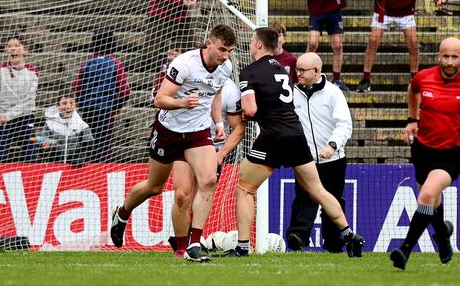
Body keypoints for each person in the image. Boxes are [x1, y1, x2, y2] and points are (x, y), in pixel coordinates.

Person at [226, 27, 364, 258]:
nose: (250, 46)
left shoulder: (250, 71)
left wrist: (245, 112)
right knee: (318, 190)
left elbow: (250, 109)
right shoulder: (281, 69)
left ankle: (241, 247)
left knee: (245, 189)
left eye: (251, 42)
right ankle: (350, 235)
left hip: (272, 138)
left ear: (259, 45)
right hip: (297, 136)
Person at [109, 24, 237, 263]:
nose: (225, 55)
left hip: (197, 133)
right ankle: (123, 213)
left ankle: (191, 245)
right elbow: (159, 99)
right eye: (221, 49)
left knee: (207, 181)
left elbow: (215, 95)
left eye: (229, 51)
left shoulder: (225, 67)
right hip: (169, 130)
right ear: (209, 43)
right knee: (155, 187)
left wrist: (218, 123)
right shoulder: (184, 63)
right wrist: (183, 103)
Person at [390, 37, 460, 270]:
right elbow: (412, 90)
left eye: (454, 57)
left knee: (426, 195)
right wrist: (412, 119)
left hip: (454, 153)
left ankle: (404, 250)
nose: (449, 61)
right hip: (423, 149)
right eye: (445, 56)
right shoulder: (423, 77)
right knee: (432, 201)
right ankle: (443, 235)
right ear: (438, 56)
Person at [167, 77, 243, 258]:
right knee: (181, 195)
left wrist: (221, 153)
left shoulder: (231, 92)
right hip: (183, 143)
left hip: (211, 150)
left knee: (199, 198)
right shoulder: (189, 81)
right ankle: (180, 243)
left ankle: (191, 243)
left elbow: (239, 128)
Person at [286, 52, 353, 253]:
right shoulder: (291, 93)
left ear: (316, 71)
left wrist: (332, 145)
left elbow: (345, 124)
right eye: (296, 69)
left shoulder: (334, 93)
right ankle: (298, 239)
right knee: (303, 198)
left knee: (333, 199)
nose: (297, 73)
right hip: (305, 160)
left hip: (333, 160)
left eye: (302, 70)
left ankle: (334, 244)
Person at [73, 30, 131, 163]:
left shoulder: (87, 63)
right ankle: (100, 172)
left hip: (87, 108)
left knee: (88, 141)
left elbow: (76, 86)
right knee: (103, 145)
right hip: (106, 109)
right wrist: (118, 105)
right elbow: (124, 90)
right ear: (112, 43)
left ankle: (85, 172)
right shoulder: (115, 63)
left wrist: (82, 101)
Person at [0, 36, 38, 163]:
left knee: (31, 149)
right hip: (2, 116)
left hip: (24, 115)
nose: (13, 49)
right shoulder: (1, 69)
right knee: (0, 152)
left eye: (16, 46)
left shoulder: (32, 71)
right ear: (6, 50)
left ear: (25, 50)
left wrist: (8, 116)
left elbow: (28, 100)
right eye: (10, 46)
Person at [34, 95, 94, 166]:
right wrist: (46, 147)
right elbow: (43, 142)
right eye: (64, 103)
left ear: (75, 105)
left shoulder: (82, 125)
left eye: (71, 103)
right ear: (57, 105)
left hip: (76, 166)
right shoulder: (50, 123)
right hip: (54, 164)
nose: (68, 106)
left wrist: (81, 158)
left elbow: (89, 146)